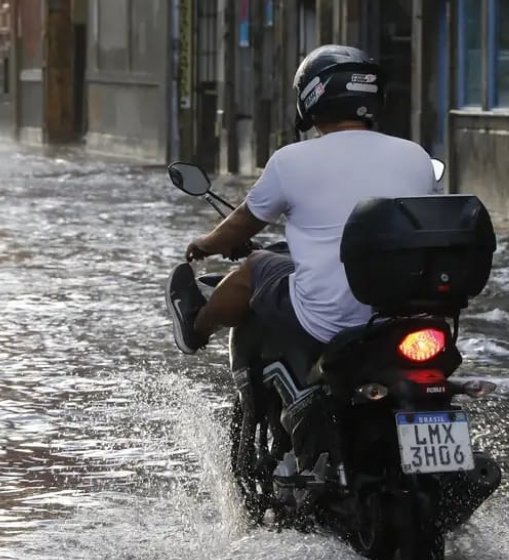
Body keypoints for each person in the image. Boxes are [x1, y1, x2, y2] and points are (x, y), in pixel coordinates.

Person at [167, 44, 437, 360]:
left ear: (311, 97)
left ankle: (195, 329)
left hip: (325, 321)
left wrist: (203, 245)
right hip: (401, 315)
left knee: (256, 267)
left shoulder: (291, 160)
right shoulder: (416, 156)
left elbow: (241, 223)